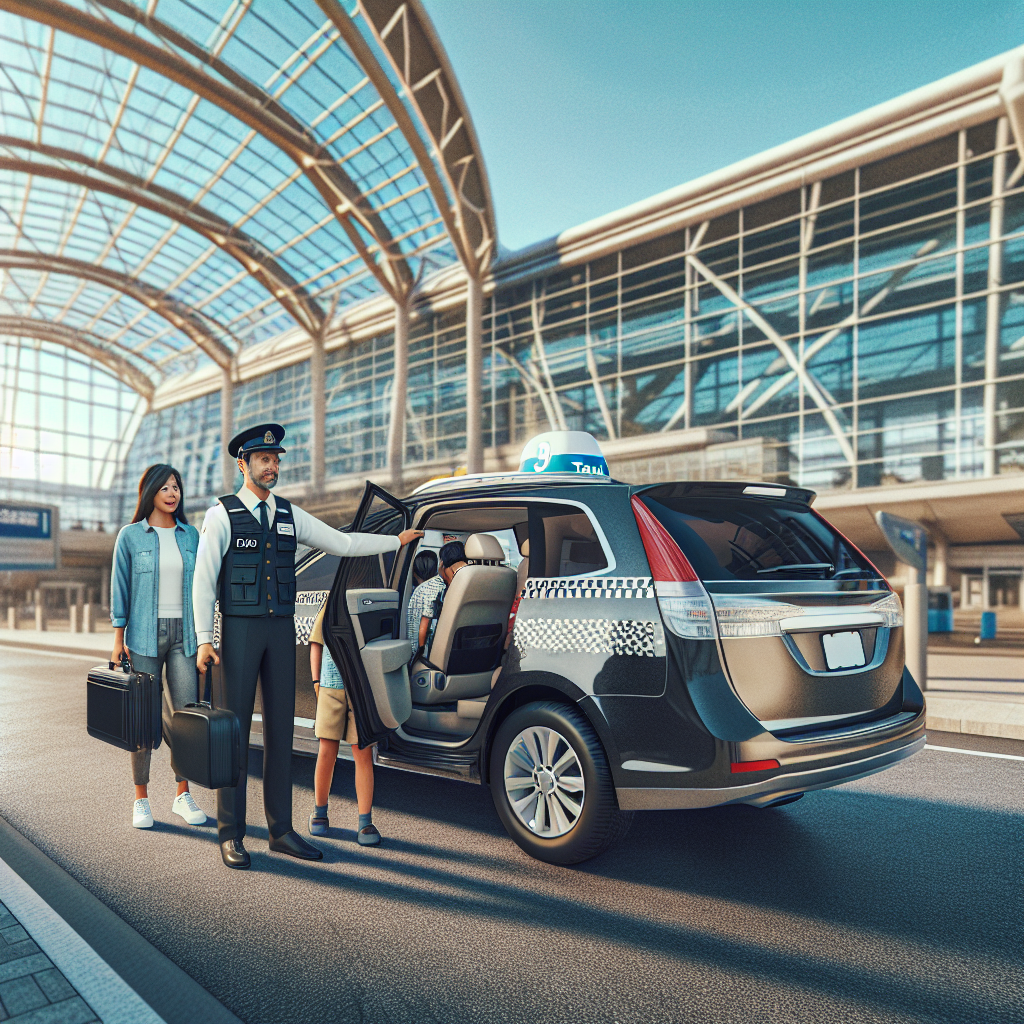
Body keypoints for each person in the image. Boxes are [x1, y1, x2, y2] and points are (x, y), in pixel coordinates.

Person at [192, 423, 422, 870]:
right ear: (243, 464)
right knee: (235, 735)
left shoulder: (289, 515)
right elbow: (202, 580)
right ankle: (231, 834)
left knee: (280, 735)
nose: (273, 466)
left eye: (276, 459)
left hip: (279, 631)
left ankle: (281, 831)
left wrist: (395, 541)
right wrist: (204, 640)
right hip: (237, 631)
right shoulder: (221, 515)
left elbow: (343, 542)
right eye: (264, 459)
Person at [110, 464, 205, 830]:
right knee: (143, 722)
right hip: (144, 637)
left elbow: (203, 586)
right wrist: (118, 640)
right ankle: (141, 799)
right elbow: (120, 589)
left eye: (176, 487)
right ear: (150, 491)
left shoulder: (190, 535)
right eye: (165, 487)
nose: (172, 493)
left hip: (185, 637)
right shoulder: (131, 536)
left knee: (186, 719)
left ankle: (182, 794)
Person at [307, 603, 379, 845]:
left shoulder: (371, 598)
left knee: (363, 752)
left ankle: (365, 822)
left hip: (361, 689)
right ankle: (319, 812)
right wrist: (317, 681)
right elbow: (316, 643)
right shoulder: (332, 601)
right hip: (330, 684)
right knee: (327, 751)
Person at [416, 541, 468, 660]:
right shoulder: (480, 581)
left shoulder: (441, 590)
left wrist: (420, 653)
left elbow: (424, 626)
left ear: (444, 565)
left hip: (449, 653)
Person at [406, 549, 442, 655]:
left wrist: (418, 653)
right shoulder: (442, 586)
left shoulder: (420, 591)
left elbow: (422, 626)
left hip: (423, 650)